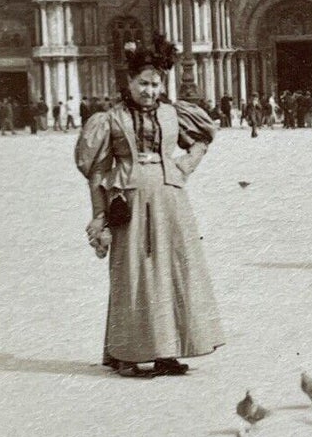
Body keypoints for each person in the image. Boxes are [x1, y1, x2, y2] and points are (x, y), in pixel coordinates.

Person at [74, 35, 223, 379]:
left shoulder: (174, 114)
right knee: (134, 274)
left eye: (156, 84)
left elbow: (203, 138)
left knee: (172, 270)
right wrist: (99, 215)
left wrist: (184, 165)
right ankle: (127, 353)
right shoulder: (110, 119)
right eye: (143, 83)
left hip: (171, 199)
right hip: (129, 202)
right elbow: (96, 171)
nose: (150, 90)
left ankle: (166, 352)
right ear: (128, 82)